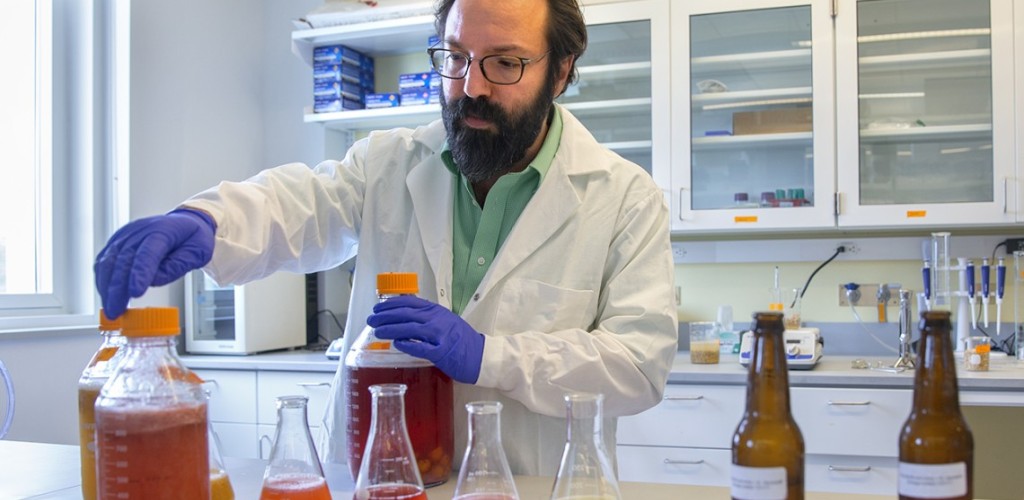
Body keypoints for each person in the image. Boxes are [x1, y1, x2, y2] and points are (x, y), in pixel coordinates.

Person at [93, 0, 677, 475]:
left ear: (563, 70)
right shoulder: (389, 164)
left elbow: (638, 363)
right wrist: (208, 221)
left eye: (505, 63)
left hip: (531, 483)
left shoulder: (623, 197)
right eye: (455, 57)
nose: (470, 85)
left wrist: (488, 356)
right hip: (384, 477)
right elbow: (298, 204)